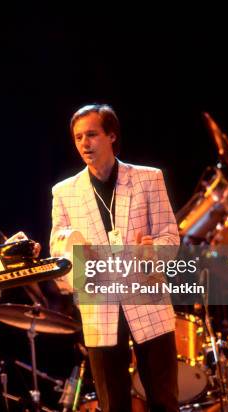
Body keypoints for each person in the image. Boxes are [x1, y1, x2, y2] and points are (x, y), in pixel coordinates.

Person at [50, 104, 180, 412]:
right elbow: (59, 254)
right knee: (112, 405)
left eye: (92, 134)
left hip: (148, 302)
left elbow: (170, 238)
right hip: (99, 309)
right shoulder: (64, 192)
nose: (85, 143)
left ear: (111, 135)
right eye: (79, 137)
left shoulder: (149, 179)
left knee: (164, 401)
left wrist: (154, 251)